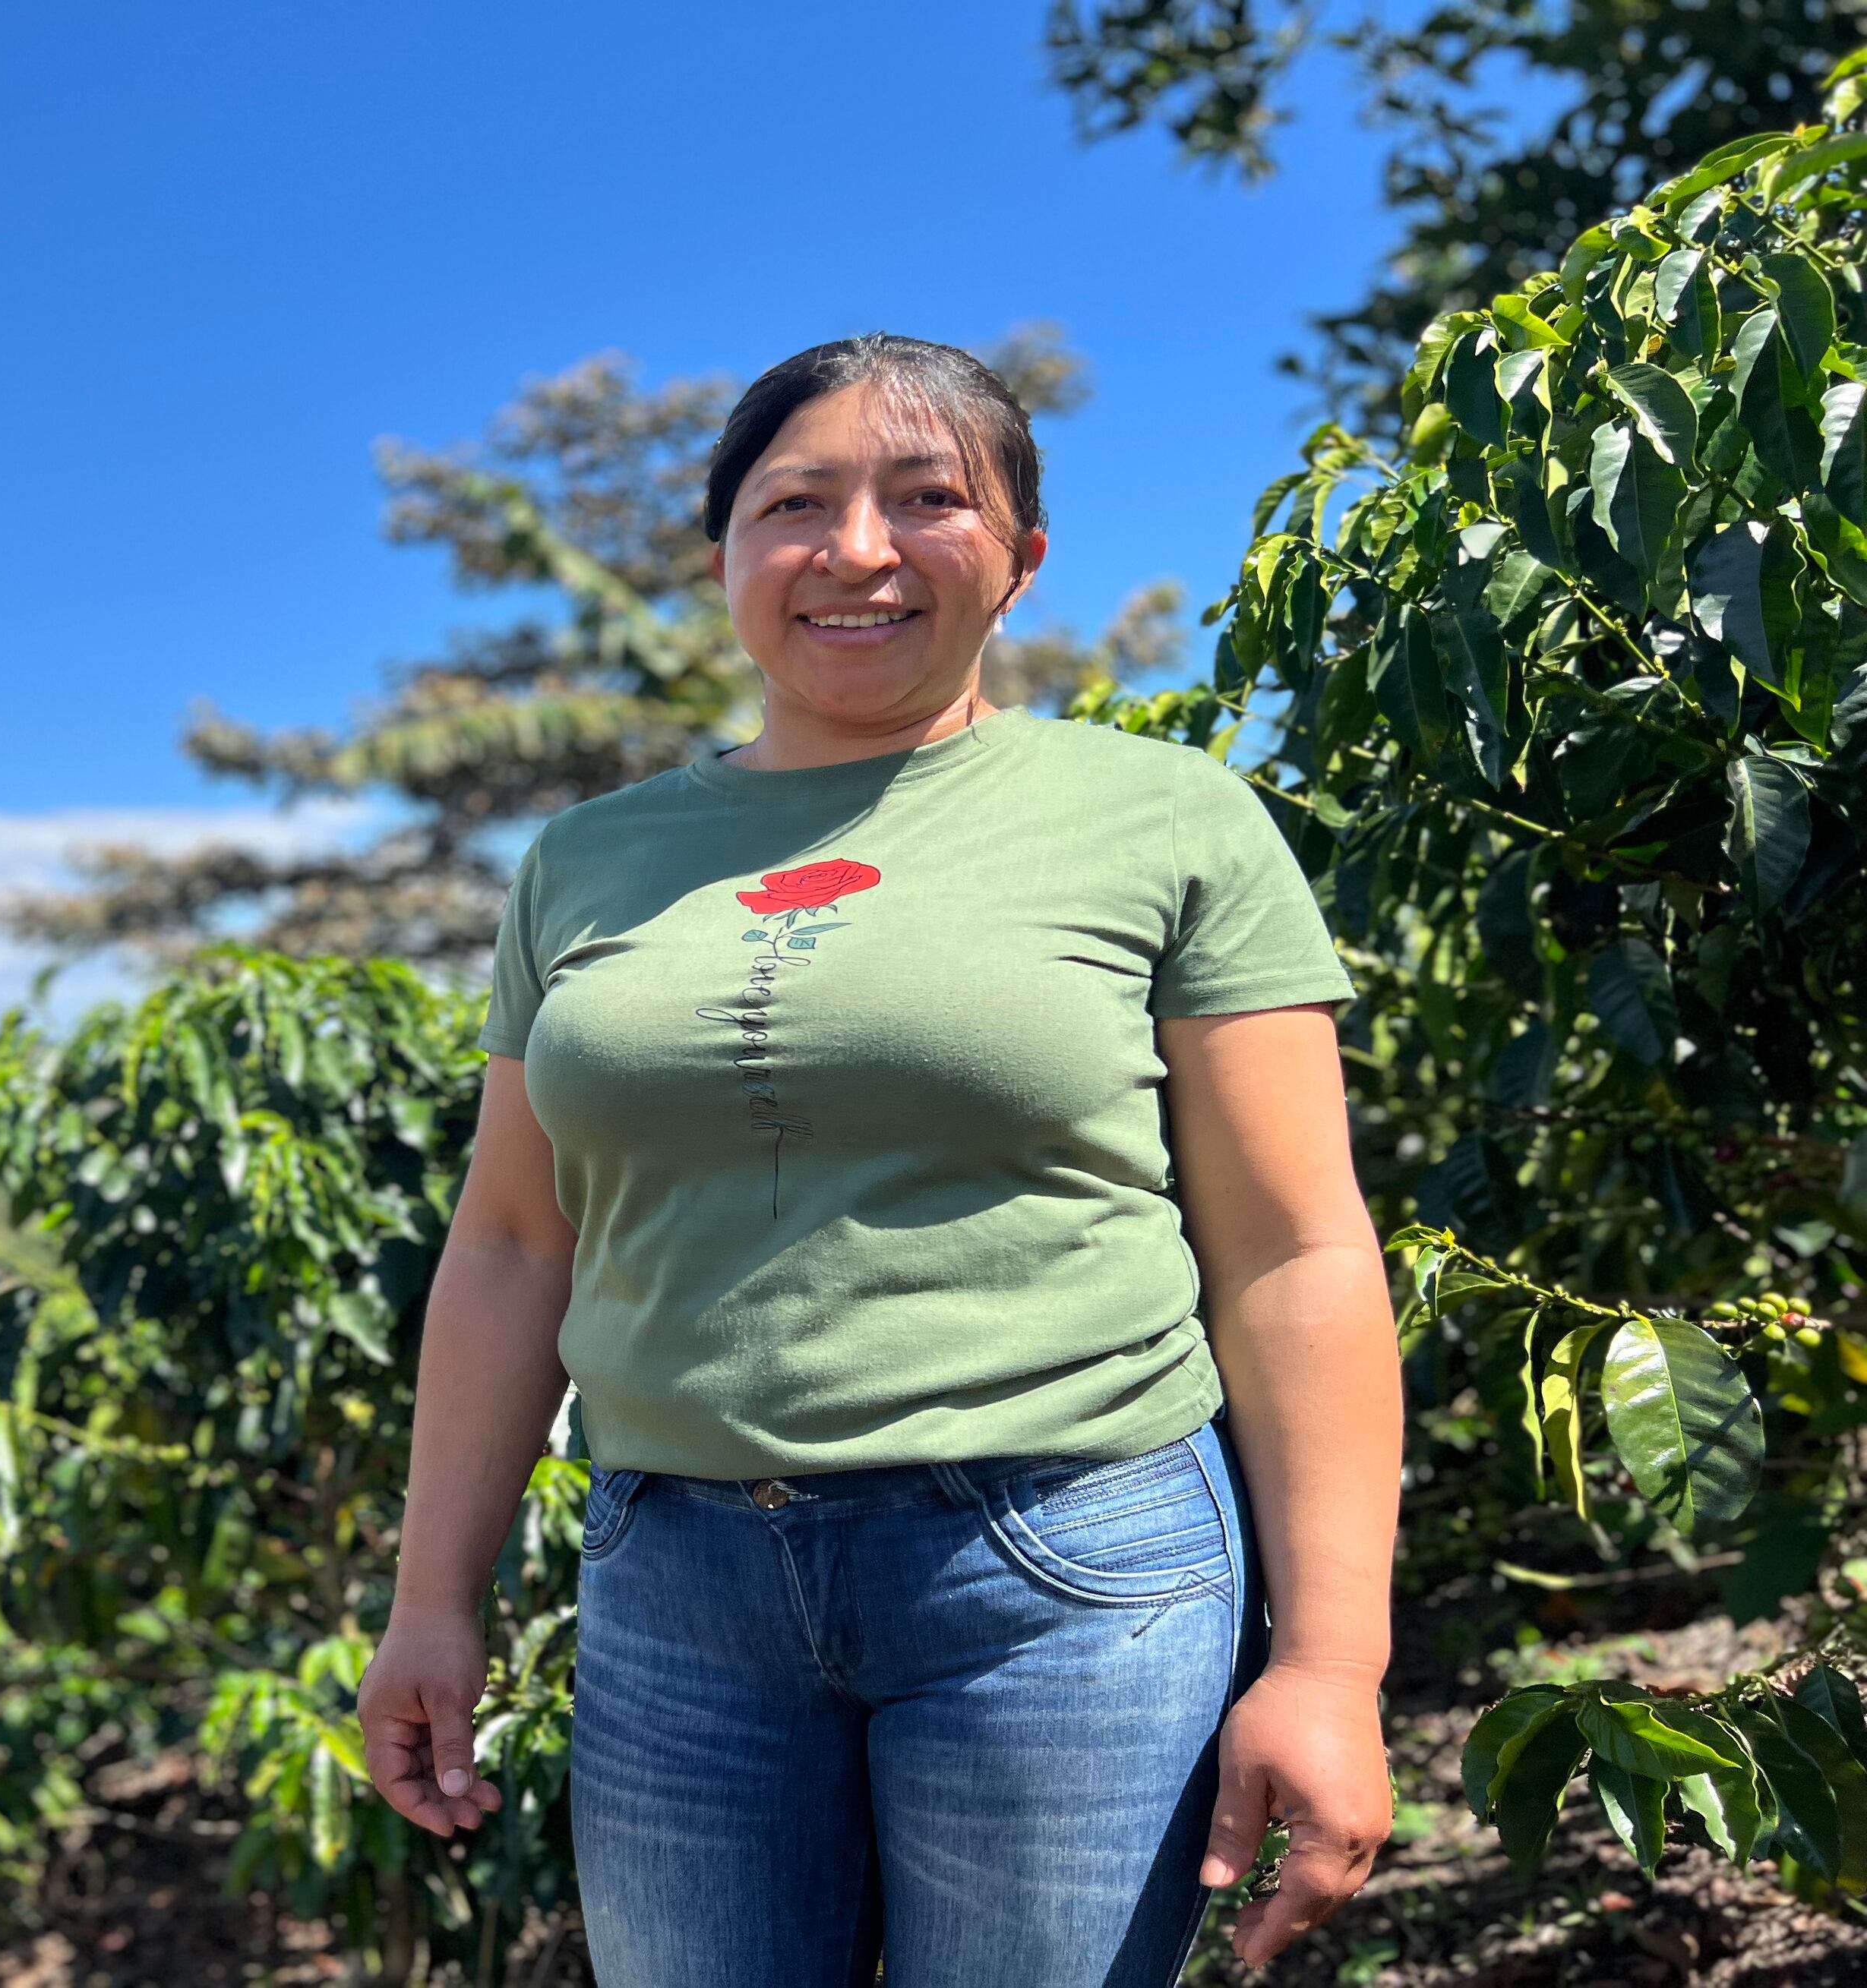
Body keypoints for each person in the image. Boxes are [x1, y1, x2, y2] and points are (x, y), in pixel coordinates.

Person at [354, 334, 1401, 1986]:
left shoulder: (1165, 820)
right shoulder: (588, 862)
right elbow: (509, 1245)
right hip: (675, 1586)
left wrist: (1333, 1665)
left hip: (1066, 1566)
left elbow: (1294, 1251)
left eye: (929, 499)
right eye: (796, 504)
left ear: (1021, 558)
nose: (857, 550)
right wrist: (434, 1595)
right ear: (722, 558)